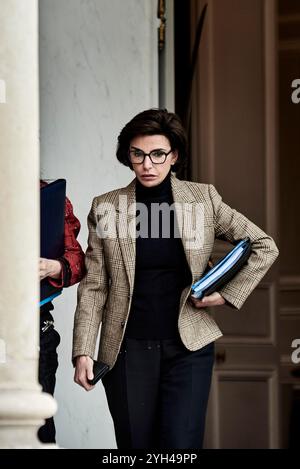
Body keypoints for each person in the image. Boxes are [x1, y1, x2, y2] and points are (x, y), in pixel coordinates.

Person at [72, 109, 279, 449]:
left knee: (180, 447)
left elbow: (263, 245)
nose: (147, 164)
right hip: (126, 349)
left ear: (174, 156)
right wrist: (83, 350)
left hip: (189, 348)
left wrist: (225, 295)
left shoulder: (203, 199)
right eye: (138, 154)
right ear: (128, 156)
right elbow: (95, 284)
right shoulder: (106, 206)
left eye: (157, 154)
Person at [39, 180, 85, 443]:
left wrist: (51, 267)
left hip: (33, 329)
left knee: (38, 428)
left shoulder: (47, 195)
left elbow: (77, 261)